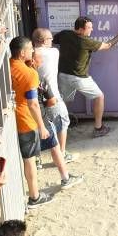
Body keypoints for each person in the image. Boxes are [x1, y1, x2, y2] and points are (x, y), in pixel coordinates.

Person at [54, 16, 118, 137]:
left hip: (63, 75)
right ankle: (98, 128)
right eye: (89, 28)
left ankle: (61, 128)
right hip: (79, 77)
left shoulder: (64, 34)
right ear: (81, 29)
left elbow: (53, 40)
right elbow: (107, 46)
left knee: (64, 102)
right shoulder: (85, 41)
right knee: (99, 97)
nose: (91, 30)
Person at [8, 37, 55, 209]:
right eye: (29, 49)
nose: (32, 51)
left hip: (13, 118)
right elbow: (33, 103)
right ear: (22, 53)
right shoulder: (30, 74)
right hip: (26, 121)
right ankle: (34, 197)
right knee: (29, 160)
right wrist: (41, 126)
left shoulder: (8, 65)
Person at [32, 28, 75, 162]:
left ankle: (37, 159)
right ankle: (61, 154)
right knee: (62, 122)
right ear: (44, 41)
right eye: (50, 39)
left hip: (34, 98)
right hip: (52, 96)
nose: (52, 41)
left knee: (37, 126)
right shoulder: (53, 53)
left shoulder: (29, 54)